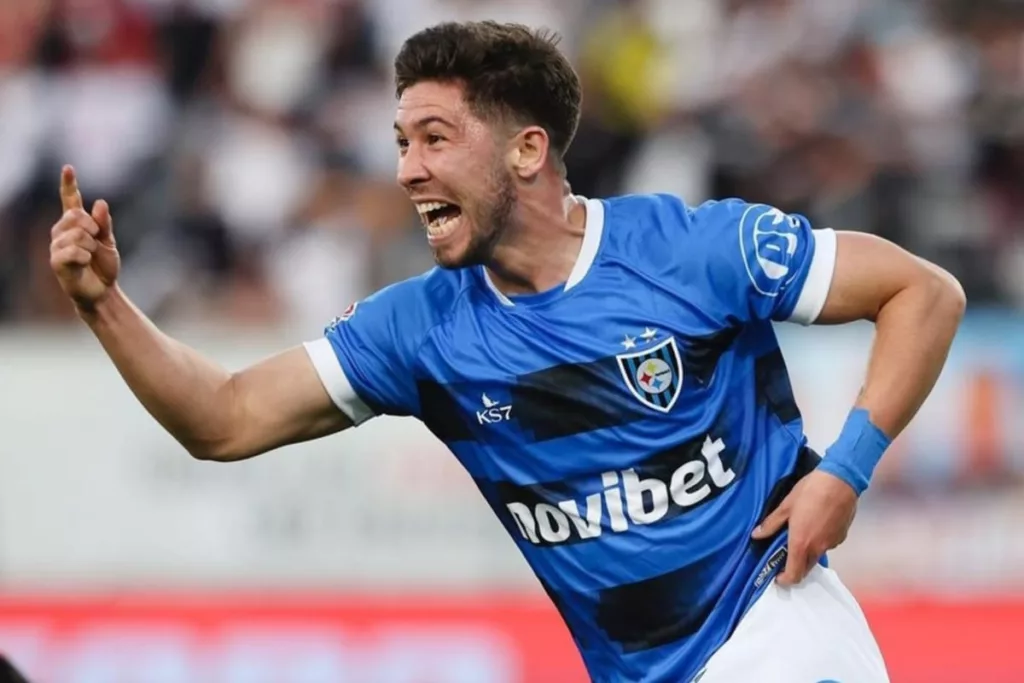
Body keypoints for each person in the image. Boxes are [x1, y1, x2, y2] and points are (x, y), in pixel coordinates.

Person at [48, 20, 965, 683]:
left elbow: (922, 291)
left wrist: (845, 469)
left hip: (779, 633)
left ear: (528, 151)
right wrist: (105, 306)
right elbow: (227, 419)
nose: (408, 168)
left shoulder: (690, 251)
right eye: (402, 142)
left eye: (436, 139)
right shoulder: (422, 329)